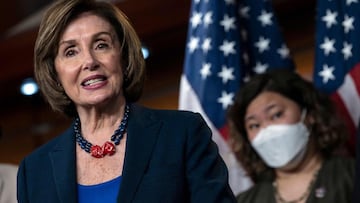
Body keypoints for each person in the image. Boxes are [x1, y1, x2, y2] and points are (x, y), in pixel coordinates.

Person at [16, 0, 236, 202]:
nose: (89, 61)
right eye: (71, 51)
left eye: (101, 45)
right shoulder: (34, 170)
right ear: (54, 72)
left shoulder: (182, 133)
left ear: (123, 55)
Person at [227, 69, 355, 203]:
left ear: (309, 115)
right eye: (254, 125)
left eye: (276, 115)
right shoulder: (245, 200)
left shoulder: (350, 177)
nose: (266, 130)